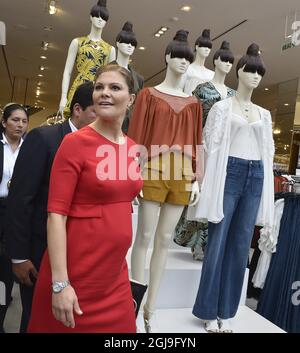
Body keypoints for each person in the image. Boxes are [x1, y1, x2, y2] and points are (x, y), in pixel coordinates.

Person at [27, 64, 142, 333]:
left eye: (114, 87)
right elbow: (56, 214)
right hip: (76, 274)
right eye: (100, 87)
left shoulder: (134, 148)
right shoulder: (75, 143)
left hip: (114, 275)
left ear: (131, 98)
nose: (104, 93)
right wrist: (60, 283)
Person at [193, 44, 275, 333]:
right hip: (229, 172)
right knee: (217, 243)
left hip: (255, 175)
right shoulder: (222, 107)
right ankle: (207, 309)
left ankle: (226, 311)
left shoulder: (264, 114)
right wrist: (201, 183)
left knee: (241, 246)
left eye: (259, 73)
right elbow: (208, 147)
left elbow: (267, 153)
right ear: (239, 71)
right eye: (250, 70)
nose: (254, 76)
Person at [5, 82, 96, 333]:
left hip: (76, 254)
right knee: (35, 319)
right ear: (78, 110)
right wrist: (20, 256)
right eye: (95, 114)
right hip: (37, 251)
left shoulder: (99, 147)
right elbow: (21, 199)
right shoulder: (44, 138)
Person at [127, 30, 202, 333]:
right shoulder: (149, 95)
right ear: (168, 57)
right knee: (144, 238)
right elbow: (136, 137)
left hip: (182, 173)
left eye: (188, 58)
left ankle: (151, 307)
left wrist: (196, 177)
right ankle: (133, 301)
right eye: (179, 56)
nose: (184, 62)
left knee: (163, 240)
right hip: (153, 169)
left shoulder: (194, 103)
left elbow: (196, 143)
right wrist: (133, 173)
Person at [174, 41, 235, 261]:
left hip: (223, 150)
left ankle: (209, 243)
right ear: (216, 61)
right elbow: (191, 119)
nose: (227, 64)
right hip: (203, 145)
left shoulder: (233, 94)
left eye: (230, 61)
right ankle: (194, 241)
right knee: (200, 192)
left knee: (217, 195)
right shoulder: (202, 89)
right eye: (224, 60)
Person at [0, 103, 29, 333]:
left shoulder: (29, 149)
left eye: (23, 121)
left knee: (5, 268)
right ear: (4, 122)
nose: (19, 125)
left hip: (16, 212)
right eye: (15, 120)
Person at [59, 0, 116, 116]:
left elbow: (111, 77)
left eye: (104, 18)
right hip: (79, 87)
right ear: (91, 17)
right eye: (97, 16)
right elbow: (67, 72)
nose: (100, 20)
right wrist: (63, 97)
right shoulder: (77, 42)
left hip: (98, 89)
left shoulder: (110, 49)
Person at [111, 21, 144, 133]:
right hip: (108, 122)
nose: (130, 46)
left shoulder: (139, 79)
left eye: (133, 44)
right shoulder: (106, 71)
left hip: (130, 128)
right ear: (118, 43)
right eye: (126, 42)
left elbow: (138, 106)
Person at [183, 29, 214, 96]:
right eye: (204, 46)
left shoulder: (212, 74)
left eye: (209, 47)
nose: (207, 49)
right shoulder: (187, 69)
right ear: (197, 46)